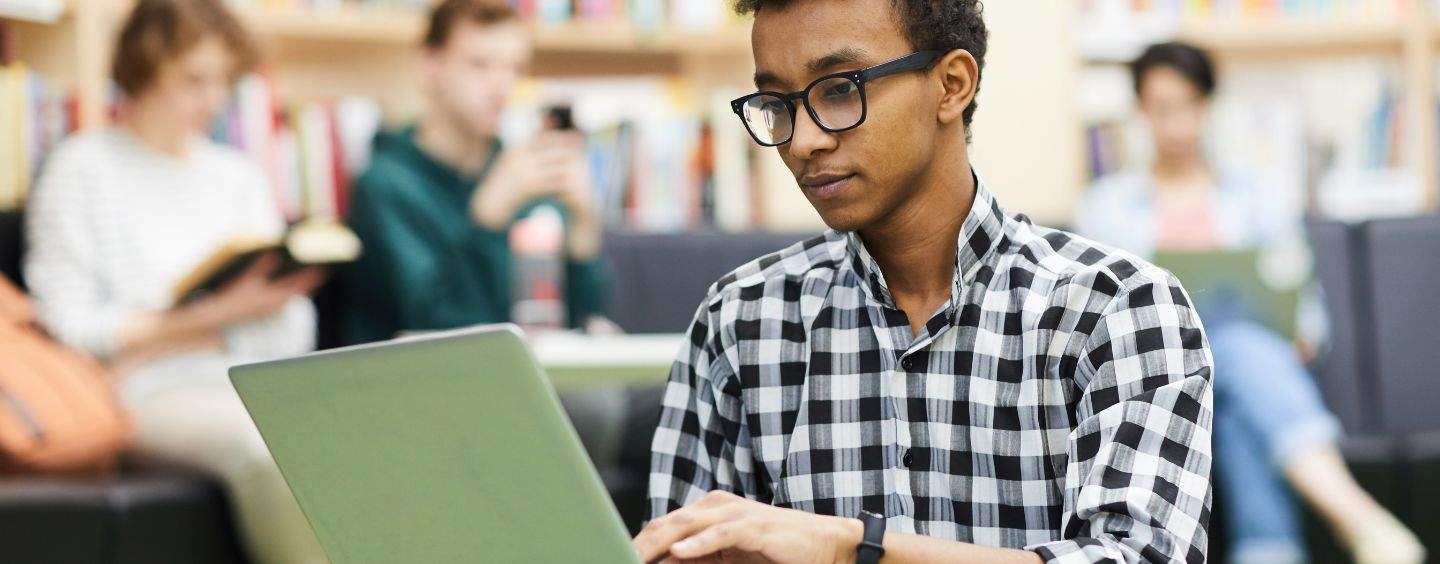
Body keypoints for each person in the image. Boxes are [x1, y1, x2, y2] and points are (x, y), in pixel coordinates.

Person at [636, 1, 1214, 562]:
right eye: (778, 103)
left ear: (952, 84)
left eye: (840, 89)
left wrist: (846, 548)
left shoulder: (1117, 310)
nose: (802, 141)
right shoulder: (740, 320)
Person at [1074, 42, 1426, 564]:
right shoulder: (1107, 206)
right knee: (1229, 349)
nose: (1176, 124)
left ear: (1207, 106)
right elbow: (1097, 313)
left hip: (1247, 373)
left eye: (1188, 105)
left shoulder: (1255, 194)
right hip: (1159, 378)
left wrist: (1301, 331)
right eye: (1161, 108)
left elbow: (1300, 296)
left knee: (1239, 389)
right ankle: (1361, 518)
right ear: (1141, 111)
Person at [24, 0, 328, 562]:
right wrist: (217, 318)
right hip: (145, 395)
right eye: (193, 80)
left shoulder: (238, 177)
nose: (212, 100)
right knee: (268, 448)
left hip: (250, 381)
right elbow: (69, 331)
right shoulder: (81, 168)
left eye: (222, 82)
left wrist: (161, 335)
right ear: (143, 70)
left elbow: (292, 331)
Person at [339, 0, 608, 345]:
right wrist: (487, 218)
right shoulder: (385, 186)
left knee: (604, 400)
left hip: (520, 381)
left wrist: (583, 229)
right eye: (479, 65)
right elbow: (439, 328)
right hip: (419, 387)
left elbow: (577, 325)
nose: (501, 85)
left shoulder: (518, 173)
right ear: (430, 66)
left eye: (514, 68)